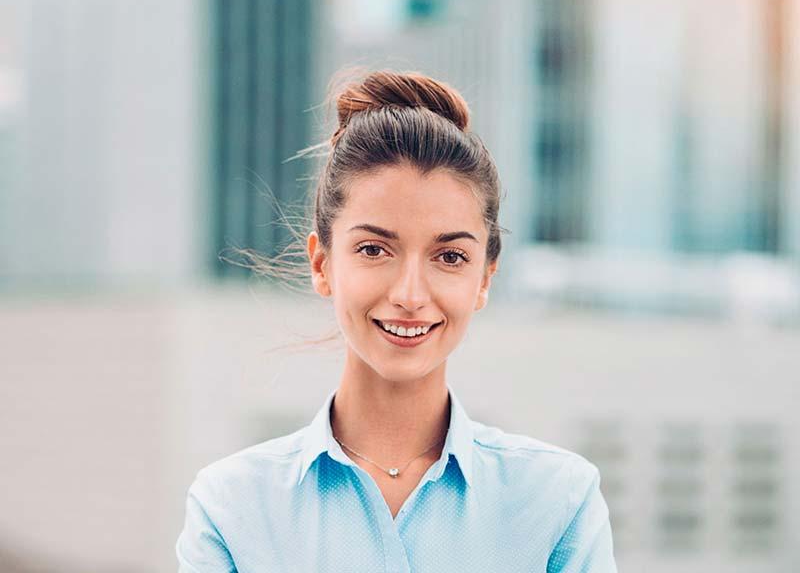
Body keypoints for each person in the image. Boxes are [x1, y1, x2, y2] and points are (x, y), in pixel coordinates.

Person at [175, 69, 618, 572]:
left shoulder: (557, 501)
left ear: (485, 278)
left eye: (449, 257)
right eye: (374, 249)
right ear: (322, 264)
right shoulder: (233, 508)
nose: (410, 295)